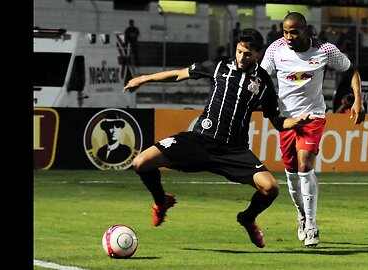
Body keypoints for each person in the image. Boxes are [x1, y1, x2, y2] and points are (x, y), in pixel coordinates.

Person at [123, 28, 315, 249]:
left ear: (258, 54)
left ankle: (247, 217)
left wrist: (296, 122)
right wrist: (144, 79)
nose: (242, 57)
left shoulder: (262, 83)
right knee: (141, 163)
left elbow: (278, 122)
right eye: (240, 51)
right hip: (199, 141)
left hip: (233, 151)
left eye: (248, 53)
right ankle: (161, 202)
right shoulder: (218, 67)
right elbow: (179, 74)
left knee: (271, 188)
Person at [261, 12, 365, 248]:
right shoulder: (275, 50)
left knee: (304, 166)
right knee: (291, 174)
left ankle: (311, 225)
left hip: (313, 116)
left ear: (306, 30)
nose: (288, 36)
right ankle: (301, 215)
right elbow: (260, 78)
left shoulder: (325, 50)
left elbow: (351, 70)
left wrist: (358, 100)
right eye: (285, 31)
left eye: (294, 31)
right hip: (286, 119)